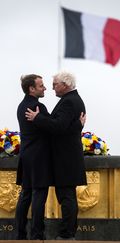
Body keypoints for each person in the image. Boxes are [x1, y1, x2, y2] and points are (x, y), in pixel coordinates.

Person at [25, 71, 87, 240]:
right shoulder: (72, 100)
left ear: (65, 85)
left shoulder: (69, 102)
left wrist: (37, 118)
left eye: (55, 85)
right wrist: (76, 127)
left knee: (66, 197)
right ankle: (68, 233)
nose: (52, 88)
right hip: (67, 158)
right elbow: (66, 127)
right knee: (67, 196)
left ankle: (67, 235)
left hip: (65, 159)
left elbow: (58, 126)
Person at [15, 74, 52, 240]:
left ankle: (19, 234)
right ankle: (37, 235)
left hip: (26, 156)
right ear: (31, 88)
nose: (44, 88)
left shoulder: (20, 106)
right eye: (41, 85)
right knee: (39, 196)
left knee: (25, 195)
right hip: (39, 158)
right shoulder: (39, 107)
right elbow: (51, 129)